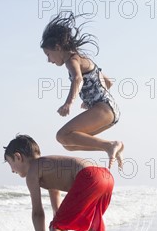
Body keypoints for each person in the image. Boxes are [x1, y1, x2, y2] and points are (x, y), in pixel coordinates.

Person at [4, 134, 115, 231]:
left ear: (18, 157)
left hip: (89, 177)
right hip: (105, 177)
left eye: (10, 163)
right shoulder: (49, 166)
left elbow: (38, 213)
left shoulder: (33, 172)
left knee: (55, 227)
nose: (12, 171)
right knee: (92, 222)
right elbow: (59, 211)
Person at [41, 11, 124, 169]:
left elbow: (78, 79)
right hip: (111, 111)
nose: (48, 60)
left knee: (61, 135)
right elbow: (108, 82)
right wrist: (90, 100)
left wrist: (68, 103)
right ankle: (111, 146)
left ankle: (110, 145)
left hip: (104, 108)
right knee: (69, 143)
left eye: (48, 54)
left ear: (58, 47)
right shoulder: (82, 59)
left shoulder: (72, 60)